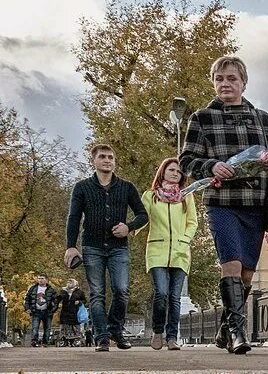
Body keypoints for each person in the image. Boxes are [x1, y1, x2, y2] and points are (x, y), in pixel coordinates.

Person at [180, 55, 268, 355]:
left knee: (246, 273)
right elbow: (187, 161)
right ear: (213, 82)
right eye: (219, 79)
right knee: (230, 263)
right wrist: (212, 166)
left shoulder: (262, 118)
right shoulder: (201, 118)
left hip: (255, 202)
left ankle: (226, 326)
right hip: (222, 202)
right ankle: (240, 333)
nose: (225, 84)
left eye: (231, 78)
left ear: (243, 82)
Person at [65, 143, 149, 351]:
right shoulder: (82, 187)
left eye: (111, 157)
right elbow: (74, 218)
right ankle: (102, 336)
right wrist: (70, 246)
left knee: (121, 290)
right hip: (91, 246)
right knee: (97, 293)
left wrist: (128, 227)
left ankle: (115, 329)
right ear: (93, 161)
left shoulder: (126, 187)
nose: (107, 160)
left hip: (118, 247)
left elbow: (143, 214)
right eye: (102, 157)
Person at [141, 157, 199, 350]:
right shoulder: (150, 196)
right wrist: (128, 229)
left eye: (178, 171)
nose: (175, 173)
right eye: (171, 170)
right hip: (157, 249)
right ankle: (158, 332)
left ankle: (172, 337)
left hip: (180, 251)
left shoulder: (186, 196)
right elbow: (142, 218)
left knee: (175, 297)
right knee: (161, 293)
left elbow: (192, 222)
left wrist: (185, 240)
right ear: (163, 172)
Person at [24, 274, 57, 346]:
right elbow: (27, 299)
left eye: (42, 278)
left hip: (47, 312)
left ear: (46, 279)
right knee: (35, 327)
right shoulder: (33, 288)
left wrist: (53, 310)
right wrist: (27, 308)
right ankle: (34, 341)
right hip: (36, 311)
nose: (40, 280)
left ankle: (45, 342)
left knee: (47, 328)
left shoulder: (51, 290)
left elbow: (56, 301)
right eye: (39, 278)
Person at [57, 278, 88, 346]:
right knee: (64, 327)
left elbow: (85, 301)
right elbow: (58, 299)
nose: (69, 284)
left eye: (71, 282)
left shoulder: (79, 292)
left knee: (75, 327)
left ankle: (76, 341)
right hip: (65, 312)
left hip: (75, 312)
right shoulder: (63, 291)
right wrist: (56, 304)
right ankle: (64, 341)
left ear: (75, 284)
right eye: (68, 282)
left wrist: (79, 302)